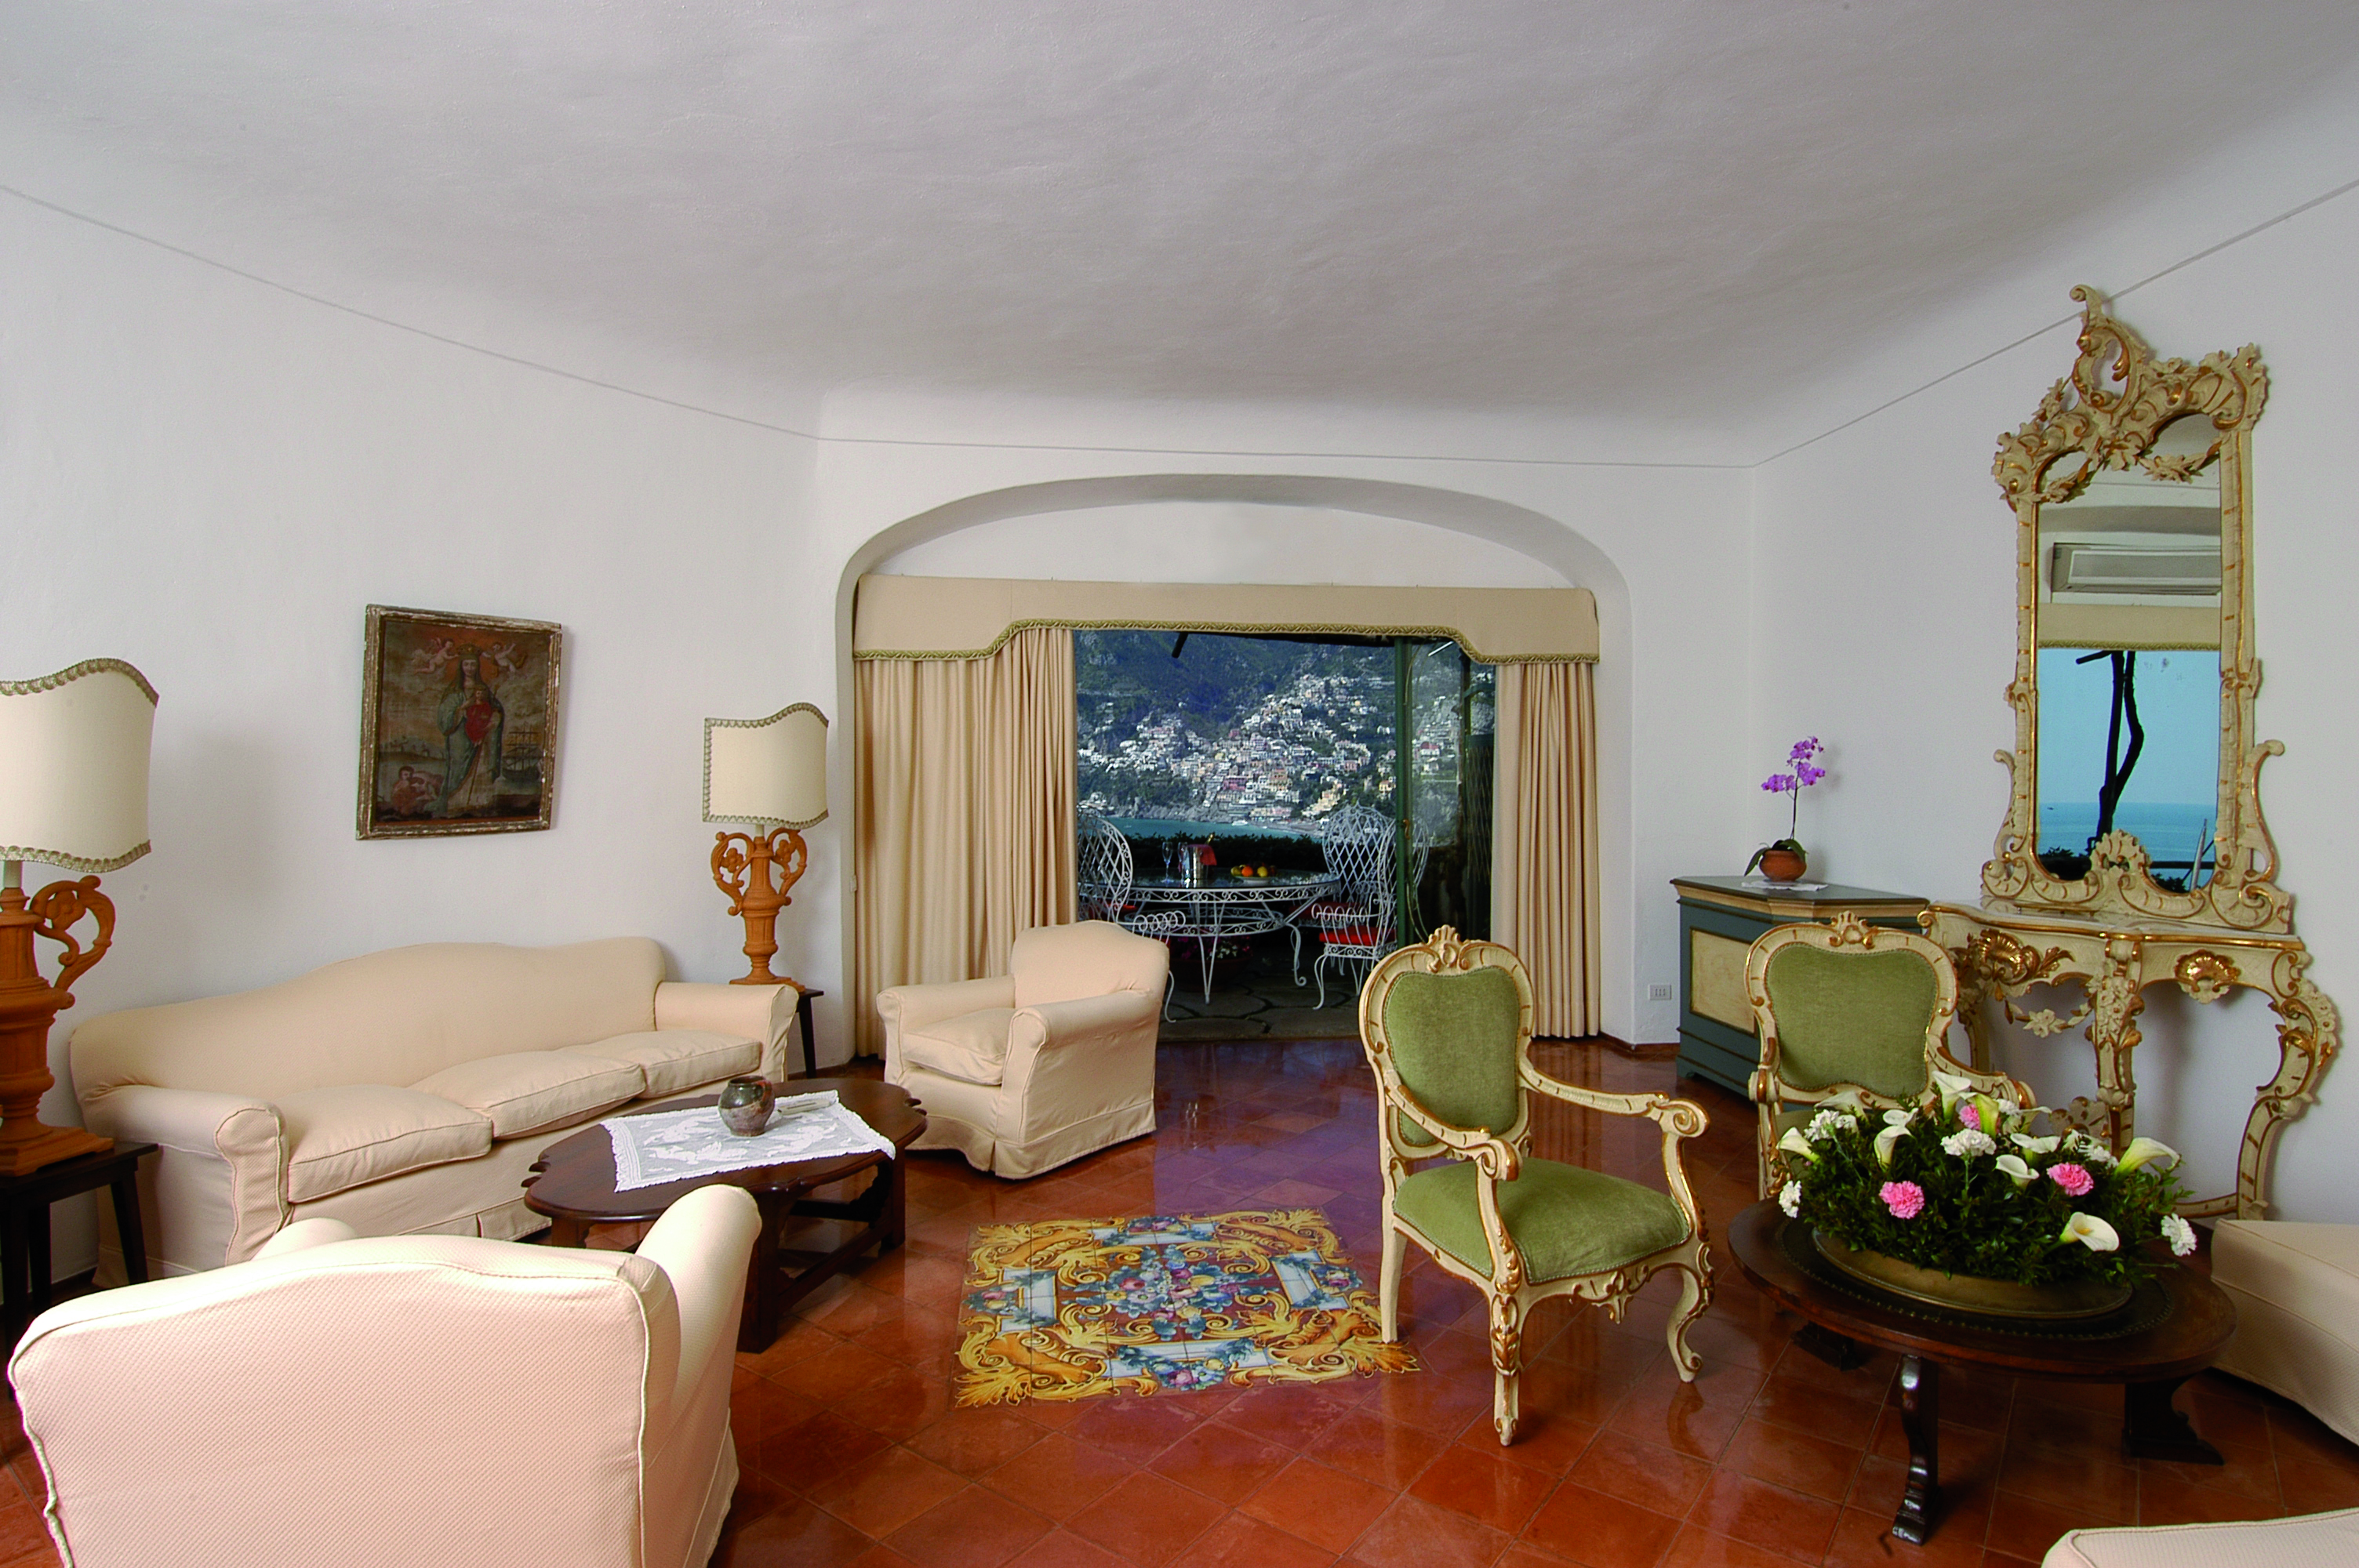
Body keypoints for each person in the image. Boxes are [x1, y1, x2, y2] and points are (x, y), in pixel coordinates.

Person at [433, 648, 505, 815]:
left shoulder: (483, 689)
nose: (470, 668)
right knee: (458, 766)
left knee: (480, 767)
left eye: (473, 664)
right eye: (466, 664)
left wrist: (494, 717)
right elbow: (445, 715)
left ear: (477, 666)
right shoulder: (454, 690)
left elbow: (495, 708)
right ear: (461, 666)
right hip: (459, 735)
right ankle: (455, 805)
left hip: (480, 734)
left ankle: (477, 804)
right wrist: (461, 709)